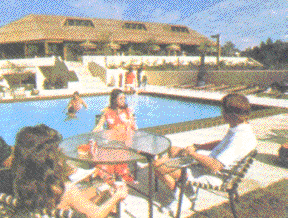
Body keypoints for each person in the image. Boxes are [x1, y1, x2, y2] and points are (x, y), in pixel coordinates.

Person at [154, 93, 257, 215]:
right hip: (208, 165)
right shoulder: (240, 128)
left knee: (158, 165)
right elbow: (221, 143)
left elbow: (215, 166)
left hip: (214, 175)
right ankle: (187, 189)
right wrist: (198, 147)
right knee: (173, 150)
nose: (221, 112)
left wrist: (192, 154)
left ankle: (182, 200)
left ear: (230, 115)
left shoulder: (239, 139)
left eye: (222, 110)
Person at [10, 124, 128, 218]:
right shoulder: (66, 190)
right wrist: (117, 196)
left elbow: (70, 201)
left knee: (95, 191)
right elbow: (96, 214)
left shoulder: (22, 184)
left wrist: (99, 189)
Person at [92, 89, 137, 183]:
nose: (123, 100)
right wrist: (93, 134)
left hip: (126, 141)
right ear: (114, 100)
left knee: (112, 152)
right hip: (113, 141)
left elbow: (134, 127)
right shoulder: (107, 112)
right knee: (101, 150)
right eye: (120, 98)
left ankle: (115, 175)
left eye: (124, 98)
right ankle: (110, 175)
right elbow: (99, 126)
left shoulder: (128, 111)